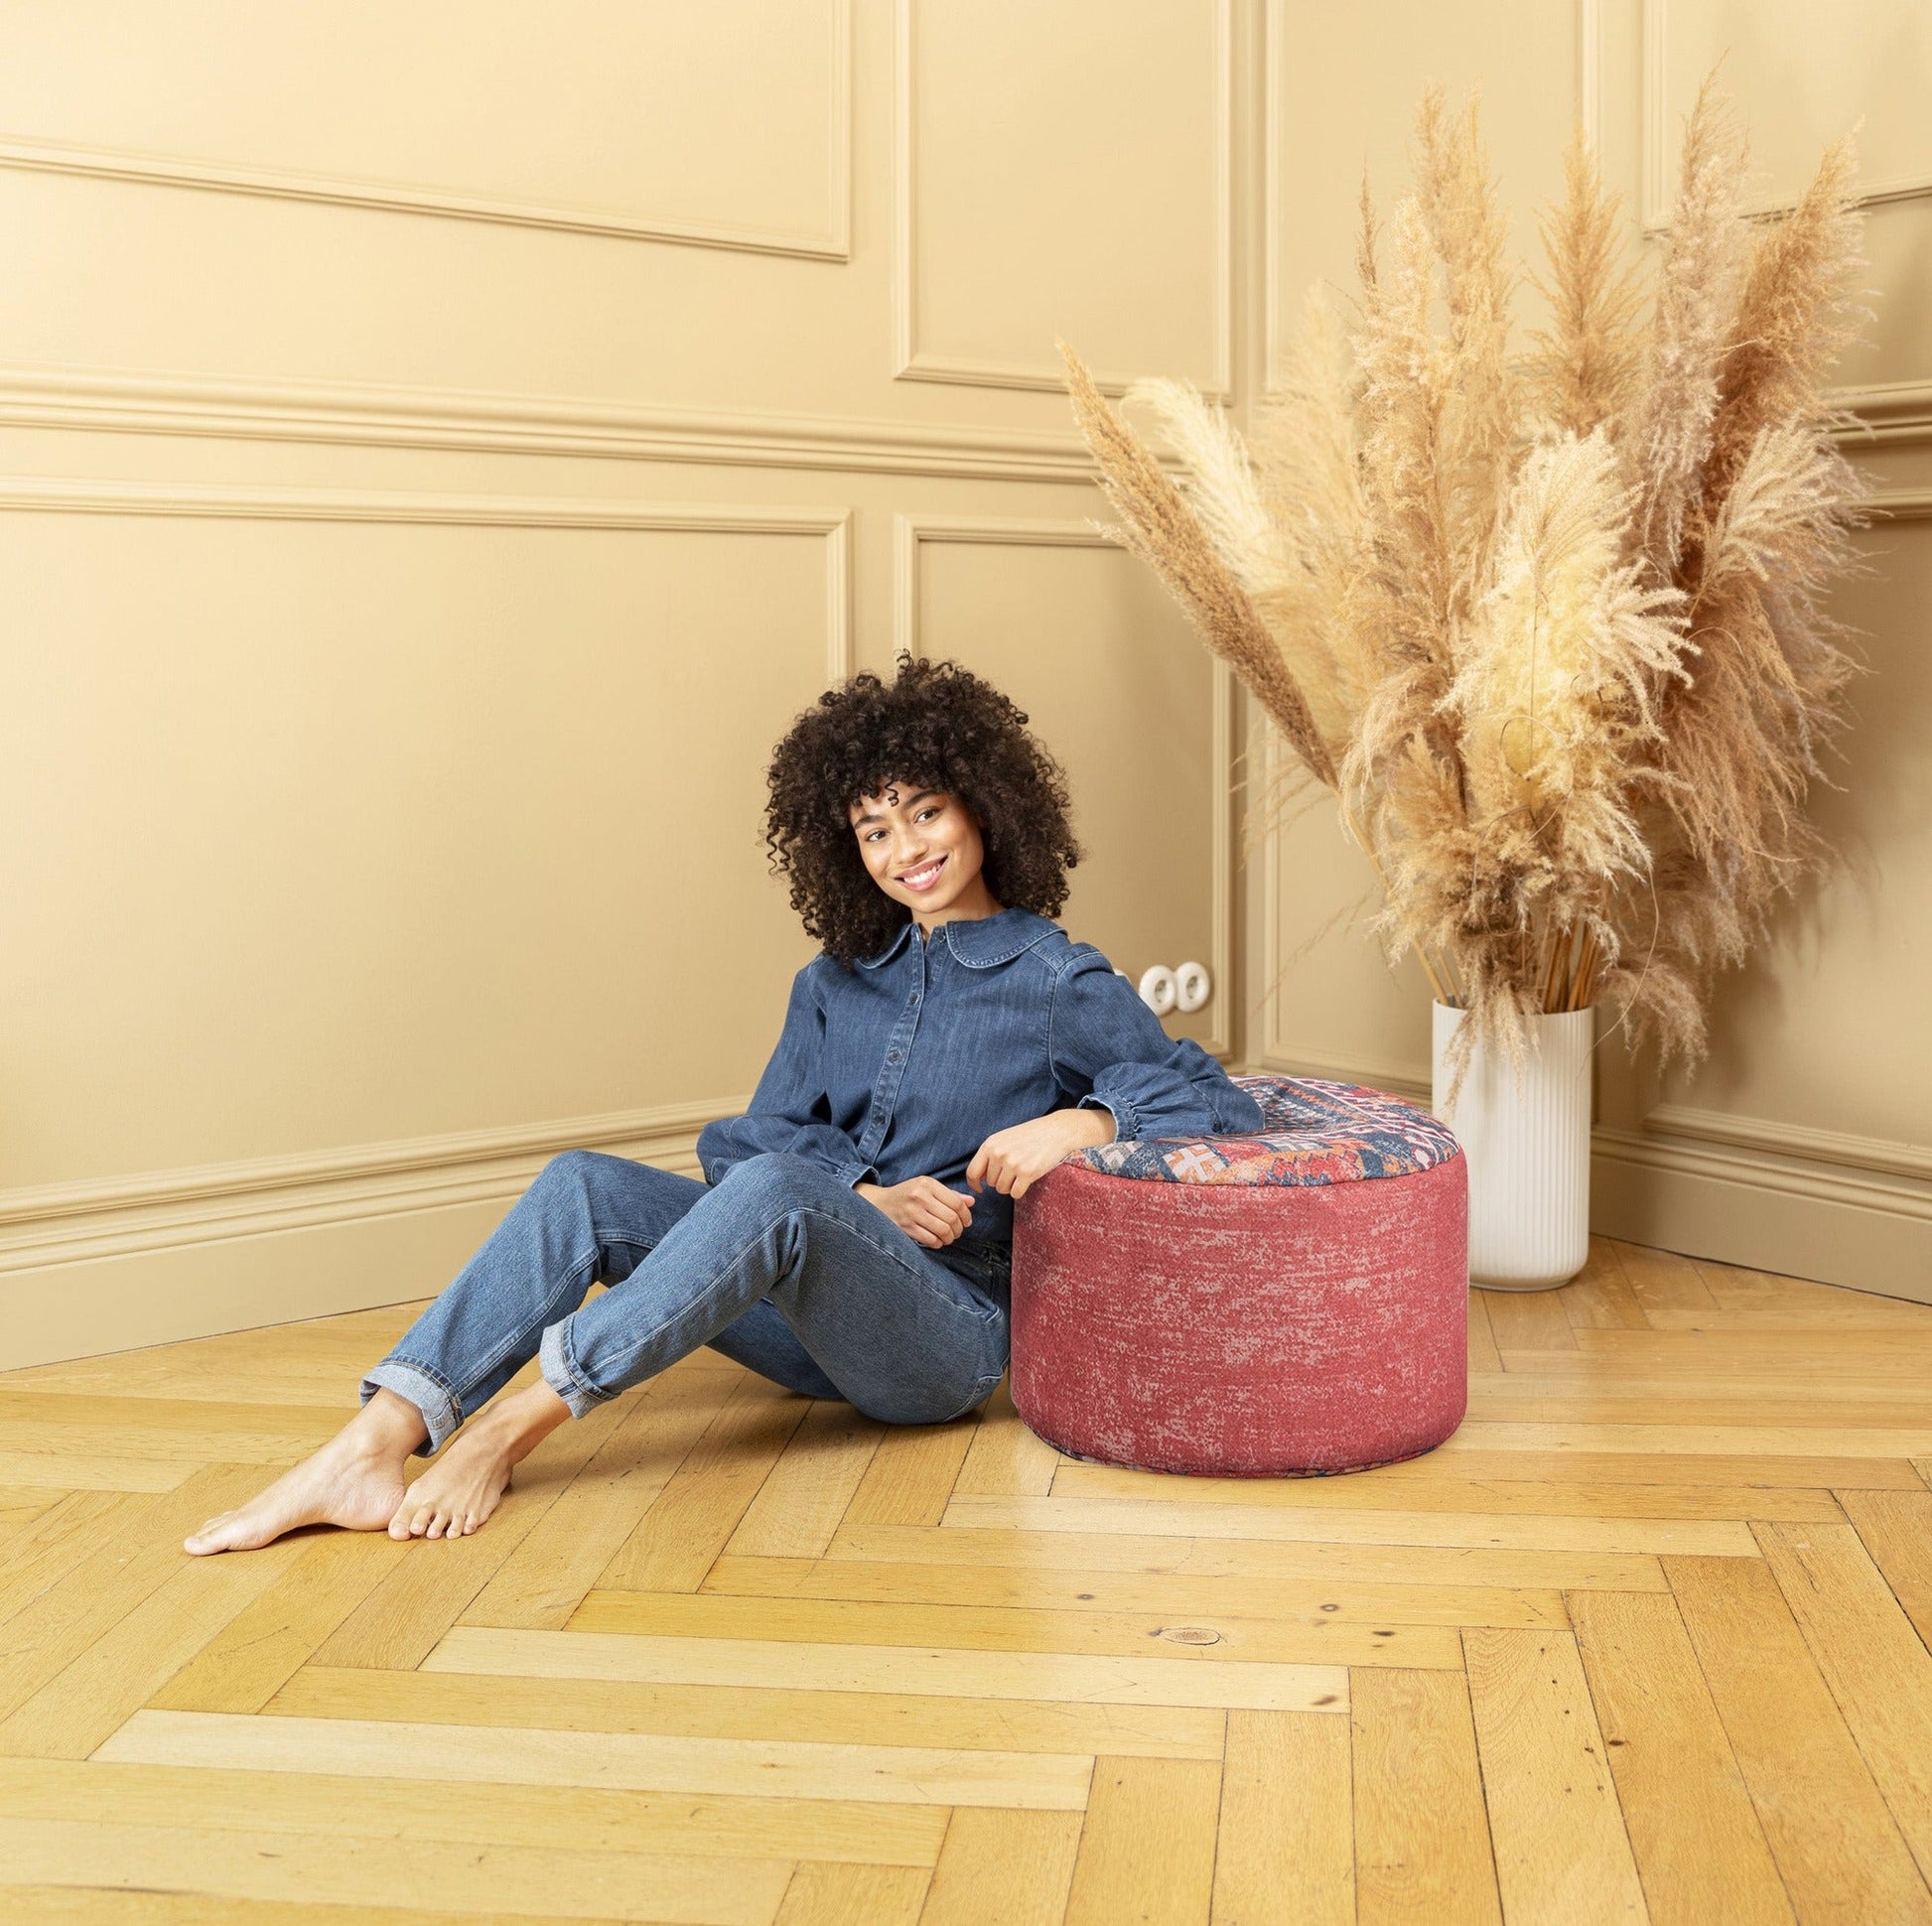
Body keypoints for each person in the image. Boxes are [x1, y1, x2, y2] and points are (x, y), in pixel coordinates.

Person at [184, 653, 1264, 1555]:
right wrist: (865, 1196)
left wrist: (1076, 1122)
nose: (906, 849)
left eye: (925, 811)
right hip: (805, 1322)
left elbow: (1209, 1094)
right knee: (583, 1184)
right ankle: (376, 1439)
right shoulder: (834, 981)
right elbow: (744, 1142)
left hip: (947, 1340)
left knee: (784, 1190)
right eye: (873, 829)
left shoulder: (1055, 977)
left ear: (983, 805)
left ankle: (511, 1424)